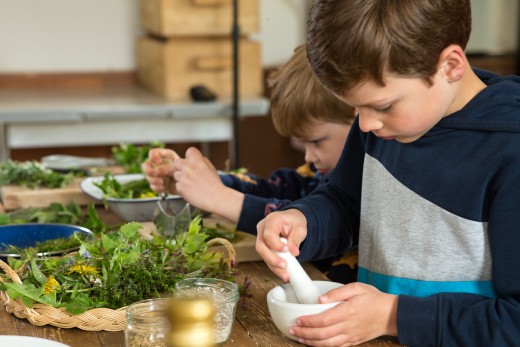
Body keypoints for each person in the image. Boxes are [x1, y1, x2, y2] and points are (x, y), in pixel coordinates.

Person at [255, 0, 520, 346]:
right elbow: (347, 203)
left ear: (451, 65)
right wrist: (305, 221)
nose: (364, 123)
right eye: (355, 107)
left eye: (382, 106)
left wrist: (392, 316)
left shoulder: (508, 151)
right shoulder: (382, 128)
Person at [141, 44, 358, 283]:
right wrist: (201, 182)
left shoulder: (364, 186)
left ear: (358, 115)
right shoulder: (318, 172)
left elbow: (295, 218)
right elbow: (277, 191)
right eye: (304, 144)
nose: (308, 156)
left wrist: (219, 197)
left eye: (316, 141)